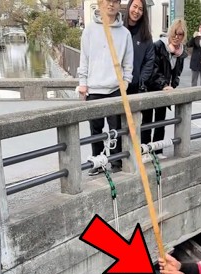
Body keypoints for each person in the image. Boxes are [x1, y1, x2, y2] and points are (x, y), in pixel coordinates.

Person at [77, 0, 134, 176]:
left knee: (115, 128)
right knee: (96, 129)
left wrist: (125, 82)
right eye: (108, 1)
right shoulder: (89, 30)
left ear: (119, 5)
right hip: (94, 88)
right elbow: (84, 58)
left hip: (115, 88)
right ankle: (98, 161)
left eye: (115, 1)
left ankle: (116, 161)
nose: (111, 5)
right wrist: (83, 83)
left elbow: (128, 63)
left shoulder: (124, 33)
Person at [142, 18, 187, 151]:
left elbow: (177, 73)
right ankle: (144, 150)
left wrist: (173, 84)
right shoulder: (158, 46)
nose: (176, 37)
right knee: (147, 122)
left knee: (161, 121)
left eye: (180, 34)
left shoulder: (181, 53)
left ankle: (157, 150)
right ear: (169, 32)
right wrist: (163, 84)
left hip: (165, 90)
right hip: (151, 88)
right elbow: (153, 70)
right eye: (174, 33)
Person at [124, 0, 156, 101]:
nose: (136, 11)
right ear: (129, 6)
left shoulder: (145, 35)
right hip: (116, 86)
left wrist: (141, 81)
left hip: (135, 87)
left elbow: (149, 61)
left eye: (141, 9)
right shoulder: (118, 29)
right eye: (135, 7)